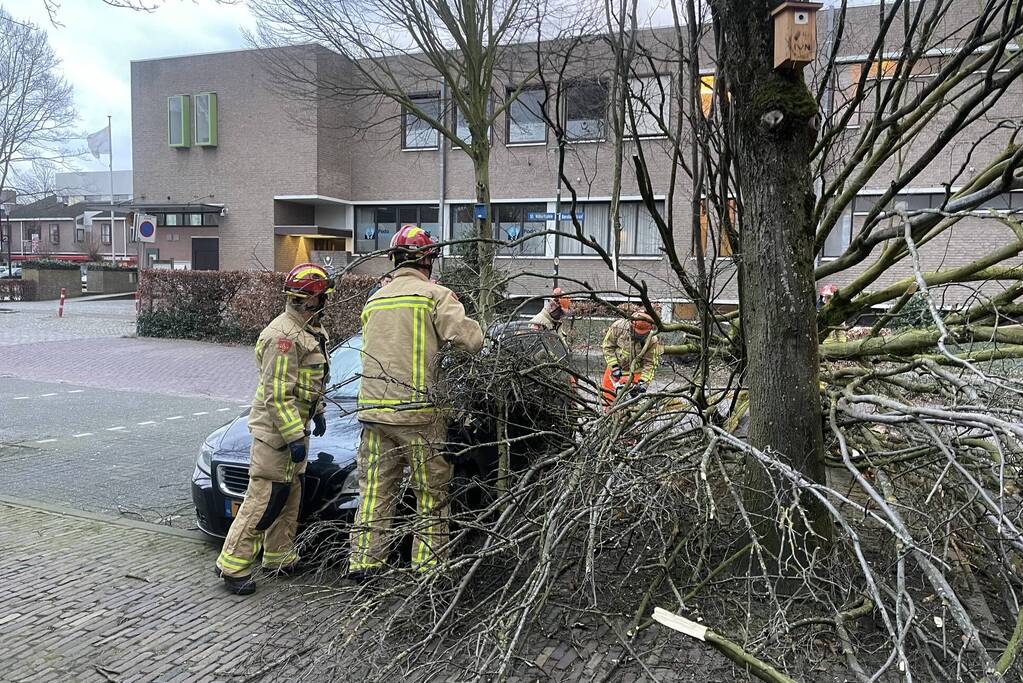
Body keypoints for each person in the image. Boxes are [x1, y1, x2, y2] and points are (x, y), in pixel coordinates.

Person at [349, 224, 483, 581]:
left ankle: (364, 565)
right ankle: (427, 569)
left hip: (374, 414)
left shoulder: (375, 299)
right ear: (428, 261)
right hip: (419, 416)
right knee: (430, 495)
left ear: (394, 260)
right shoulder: (434, 295)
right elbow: (470, 342)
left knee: (375, 492)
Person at [215, 263, 333, 595]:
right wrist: (294, 436)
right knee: (264, 500)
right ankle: (232, 565)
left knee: (289, 497)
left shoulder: (310, 331)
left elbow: (307, 384)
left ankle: (279, 556)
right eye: (322, 297)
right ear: (310, 299)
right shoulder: (283, 337)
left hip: (295, 430)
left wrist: (318, 412)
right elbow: (277, 395)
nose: (326, 303)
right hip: (276, 437)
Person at [601, 310, 661, 407]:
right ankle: (608, 414)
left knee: (630, 404)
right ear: (631, 324)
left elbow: (650, 363)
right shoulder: (618, 327)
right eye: (637, 332)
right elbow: (607, 347)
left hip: (636, 372)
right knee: (608, 400)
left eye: (641, 334)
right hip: (615, 369)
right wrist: (614, 366)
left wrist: (643, 383)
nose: (639, 335)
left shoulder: (652, 340)